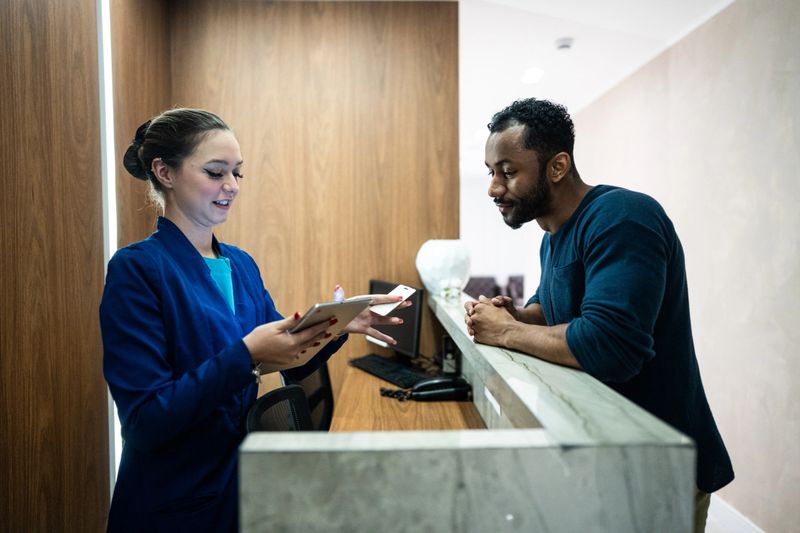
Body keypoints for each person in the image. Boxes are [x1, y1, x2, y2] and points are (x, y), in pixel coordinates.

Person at [100, 108, 407, 532]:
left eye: (237, 174)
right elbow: (145, 422)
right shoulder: (137, 270)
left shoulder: (241, 265)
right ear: (164, 173)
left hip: (241, 488)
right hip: (176, 499)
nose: (231, 187)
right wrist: (246, 355)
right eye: (215, 172)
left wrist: (337, 325)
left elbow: (288, 359)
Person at [464, 98, 733, 532]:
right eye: (492, 173)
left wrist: (506, 334)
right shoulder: (552, 236)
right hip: (605, 456)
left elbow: (611, 346)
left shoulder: (622, 217)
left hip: (656, 464)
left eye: (508, 172)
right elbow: (549, 310)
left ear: (557, 166)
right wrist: (515, 315)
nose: (495, 188)